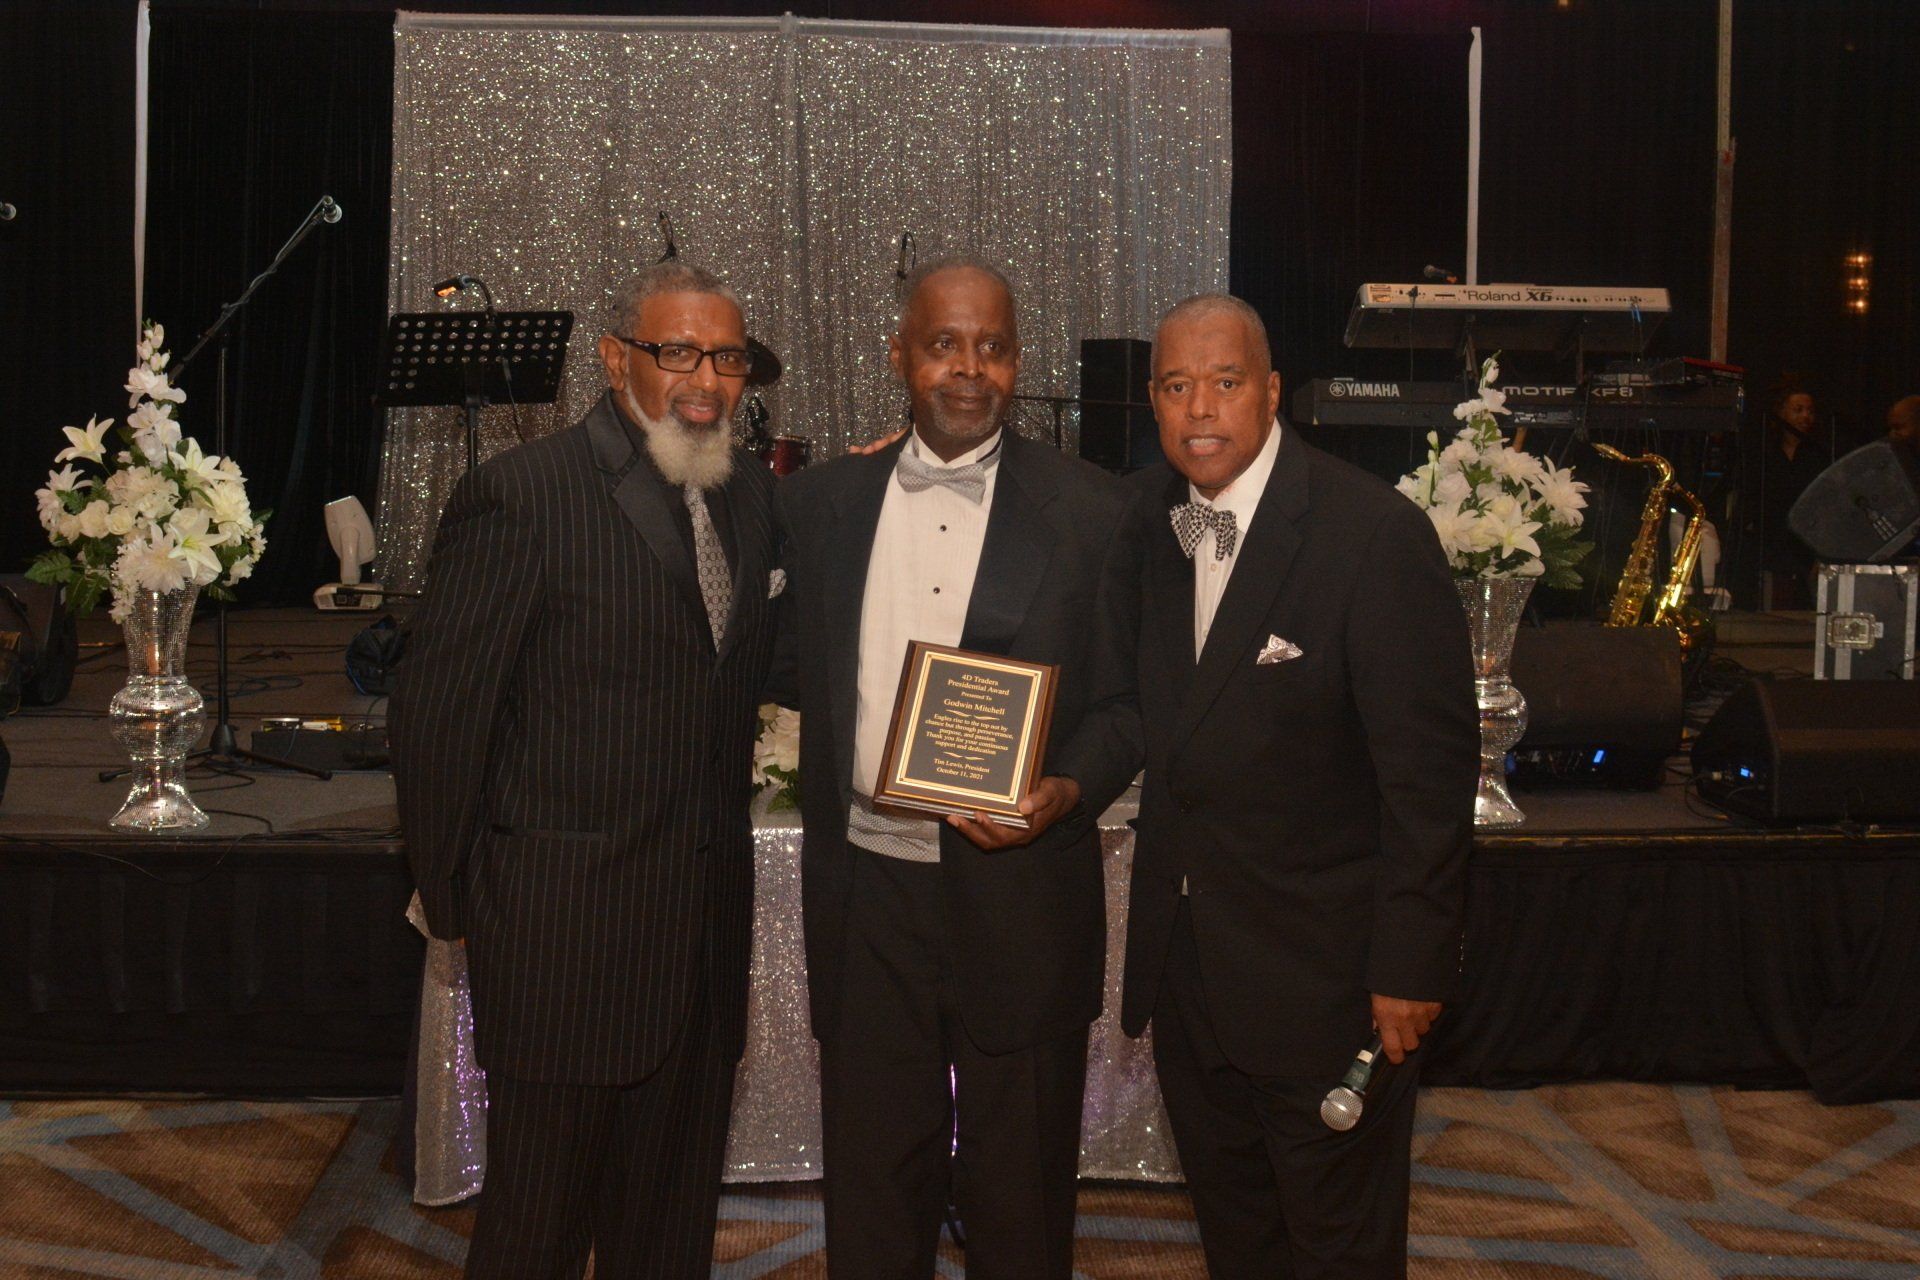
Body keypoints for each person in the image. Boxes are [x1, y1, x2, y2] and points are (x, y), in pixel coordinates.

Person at [389, 261, 779, 1279]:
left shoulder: (747, 498)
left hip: (701, 948)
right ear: (615, 360)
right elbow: (440, 718)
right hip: (564, 947)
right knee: (537, 1232)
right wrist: (455, 900)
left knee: (669, 1235)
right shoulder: (524, 494)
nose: (706, 380)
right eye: (678, 352)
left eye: (728, 357)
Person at [768, 256, 1139, 1279]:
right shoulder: (821, 506)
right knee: (873, 1189)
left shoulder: (1094, 511)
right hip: (866, 894)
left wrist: (1067, 789)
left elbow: (1128, 707)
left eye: (993, 346)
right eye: (944, 344)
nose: (970, 368)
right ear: (900, 354)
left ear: (1017, 361)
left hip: (1023, 890)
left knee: (1022, 1200)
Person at [1117, 293, 1478, 1279]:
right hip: (1190, 979)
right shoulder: (1143, 521)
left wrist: (1412, 964)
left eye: (1225, 382)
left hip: (1330, 985)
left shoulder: (1372, 534)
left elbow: (1430, 779)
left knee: (1339, 1253)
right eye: (1176, 386)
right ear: (1152, 400)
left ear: (1273, 392)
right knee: (1239, 1244)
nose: (1200, 408)